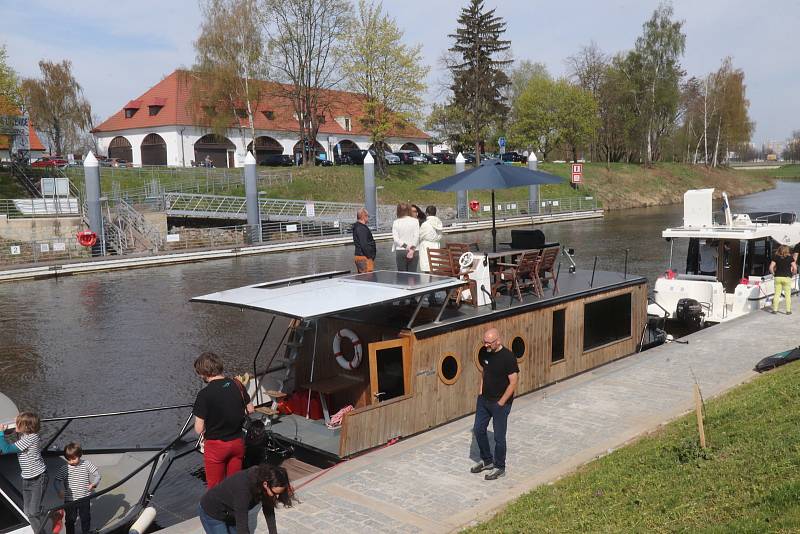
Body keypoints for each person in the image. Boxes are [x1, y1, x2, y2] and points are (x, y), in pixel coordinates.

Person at [194, 352, 255, 489]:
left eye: (199, 373)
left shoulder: (204, 394)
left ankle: (218, 510)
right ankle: (234, 508)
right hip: (237, 443)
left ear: (204, 372)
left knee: (215, 489)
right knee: (234, 484)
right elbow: (250, 409)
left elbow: (198, 429)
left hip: (216, 447)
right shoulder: (237, 384)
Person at [470, 328, 519, 481]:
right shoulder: (486, 352)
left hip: (500, 404)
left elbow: (513, 382)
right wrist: (480, 392)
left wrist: (501, 403)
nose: (485, 345)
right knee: (478, 430)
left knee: (499, 437)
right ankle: (487, 460)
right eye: (484, 342)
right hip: (484, 400)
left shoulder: (508, 357)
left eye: (488, 343)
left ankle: (499, 467)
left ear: (498, 341)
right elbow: (484, 373)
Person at [198, 464, 295, 534]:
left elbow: (268, 508)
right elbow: (242, 527)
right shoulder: (243, 490)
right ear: (265, 484)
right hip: (212, 512)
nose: (276, 497)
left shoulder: (264, 478)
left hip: (231, 512)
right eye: (274, 493)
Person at [0, 412, 48, 533]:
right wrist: (11, 426)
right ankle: (45, 512)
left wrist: (0, 433)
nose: (15, 425)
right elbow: (14, 433)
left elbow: (5, 449)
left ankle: (46, 518)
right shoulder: (25, 434)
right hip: (26, 478)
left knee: (32, 513)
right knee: (27, 512)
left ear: (26, 427)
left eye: (18, 423)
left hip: (38, 478)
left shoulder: (31, 438)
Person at [54, 442, 101, 534]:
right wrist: (59, 490)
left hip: (84, 498)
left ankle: (86, 532)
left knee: (85, 517)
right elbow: (56, 481)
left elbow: (97, 475)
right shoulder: (64, 468)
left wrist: (93, 484)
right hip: (70, 500)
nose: (71, 461)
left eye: (74, 458)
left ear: (79, 455)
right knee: (70, 520)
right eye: (68, 459)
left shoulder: (86, 464)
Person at [391, 202, 420, 272]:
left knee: (402, 276)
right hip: (414, 250)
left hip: (401, 250)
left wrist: (406, 246)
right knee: (412, 276)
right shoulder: (415, 221)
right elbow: (416, 236)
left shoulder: (396, 222)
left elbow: (396, 239)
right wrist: (412, 249)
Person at [769, 244, 796, 315]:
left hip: (778, 277)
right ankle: (788, 311)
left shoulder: (775, 257)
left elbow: (771, 267)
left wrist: (774, 274)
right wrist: (792, 274)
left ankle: (775, 310)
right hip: (787, 277)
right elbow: (795, 268)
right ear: (787, 250)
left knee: (777, 294)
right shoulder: (790, 258)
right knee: (787, 295)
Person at [418, 205, 443, 273]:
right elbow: (440, 236)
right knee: (434, 268)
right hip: (435, 246)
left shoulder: (425, 224)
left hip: (426, 247)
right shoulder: (439, 223)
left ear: (427, 213)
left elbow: (419, 236)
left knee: (427, 269)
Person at [352, 208, 376, 273]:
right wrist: (370, 256)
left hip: (361, 256)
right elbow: (364, 244)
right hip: (364, 257)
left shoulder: (357, 227)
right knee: (368, 278)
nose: (368, 218)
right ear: (363, 216)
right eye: (367, 216)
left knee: (363, 278)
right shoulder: (361, 228)